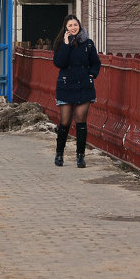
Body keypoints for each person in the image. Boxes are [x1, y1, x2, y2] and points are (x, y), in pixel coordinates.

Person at [51, 14, 101, 167]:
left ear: (79, 26)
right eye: (70, 26)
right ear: (66, 29)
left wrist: (92, 74)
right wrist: (66, 44)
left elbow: (96, 63)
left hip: (84, 86)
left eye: (75, 25)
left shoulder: (88, 44)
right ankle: (59, 154)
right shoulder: (60, 44)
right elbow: (59, 63)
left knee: (81, 120)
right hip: (66, 86)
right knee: (65, 122)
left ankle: (80, 156)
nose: (73, 28)